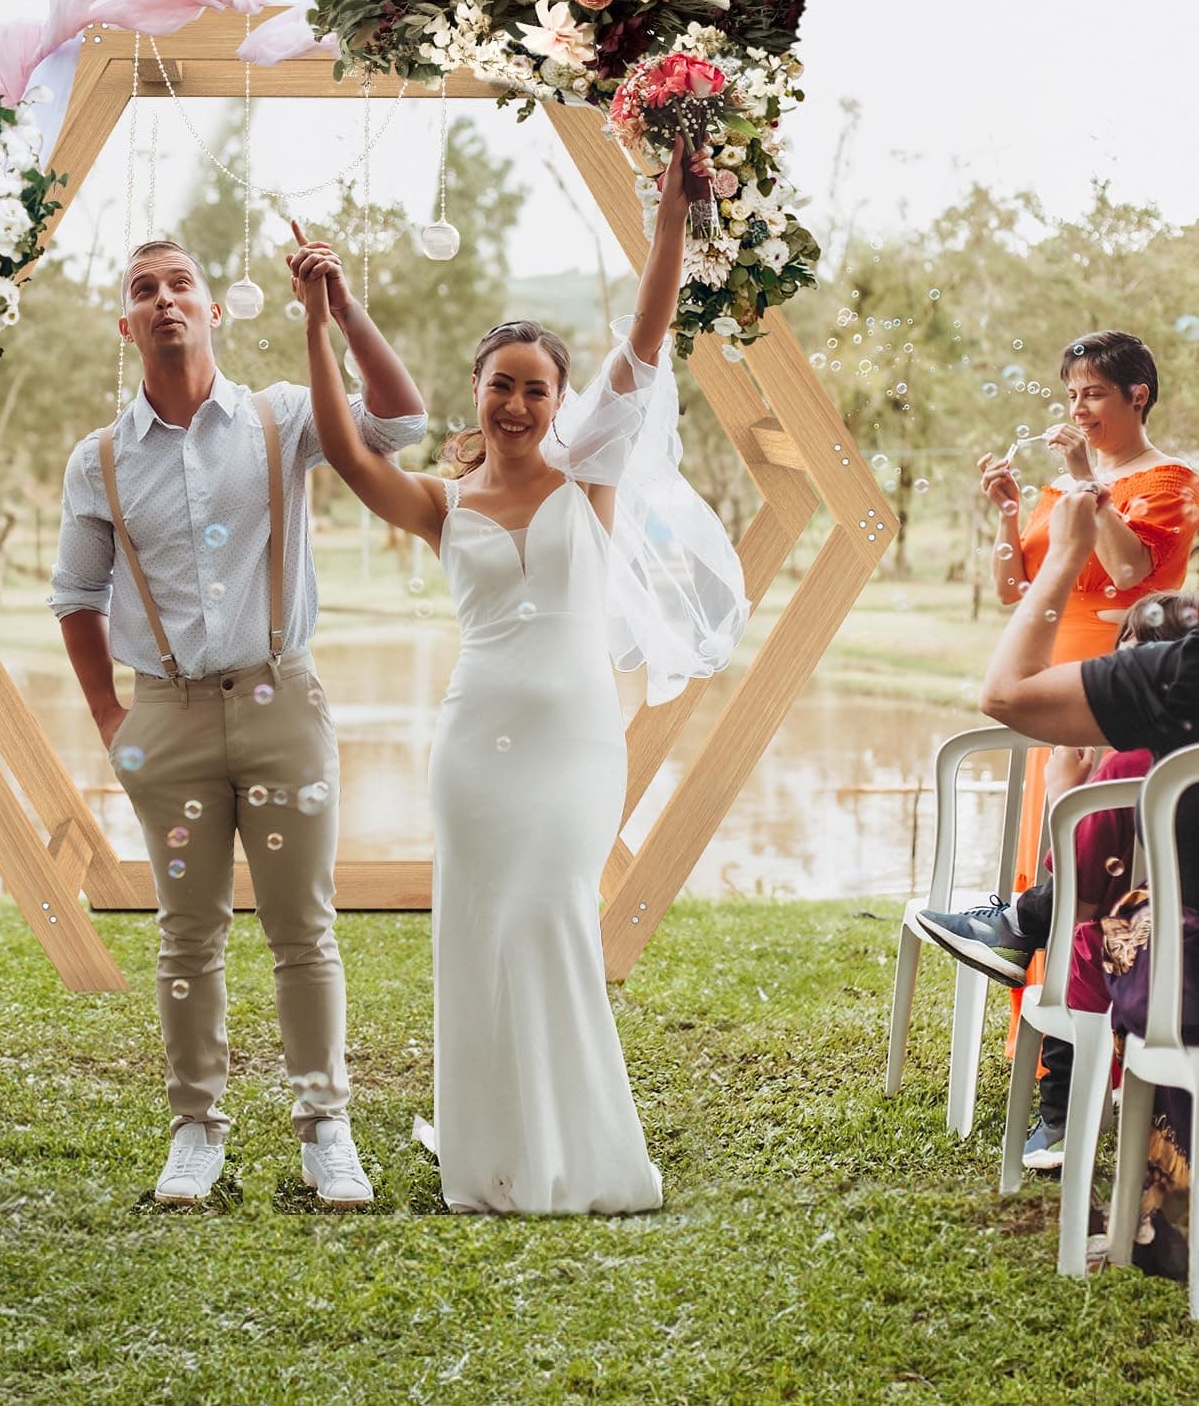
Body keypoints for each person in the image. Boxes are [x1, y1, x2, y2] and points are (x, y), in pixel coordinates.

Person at [298, 142, 745, 1212]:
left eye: (534, 388)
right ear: (477, 389)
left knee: (549, 913)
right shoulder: (439, 503)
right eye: (500, 383)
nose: (515, 402)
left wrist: (669, 220)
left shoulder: (587, 473)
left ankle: (575, 1146)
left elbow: (641, 338)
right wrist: (320, 321)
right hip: (472, 747)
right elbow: (347, 452)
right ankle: (487, 1147)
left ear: (555, 401)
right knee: (480, 929)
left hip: (575, 742)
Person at [50, 238, 428, 1206]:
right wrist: (110, 718)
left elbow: (398, 421)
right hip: (164, 718)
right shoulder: (95, 459)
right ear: (125, 324)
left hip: (279, 703)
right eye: (144, 290)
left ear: (213, 309)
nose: (165, 299)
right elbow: (75, 593)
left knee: (303, 927)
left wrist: (338, 310)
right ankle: (193, 1129)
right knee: (186, 935)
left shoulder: (282, 416)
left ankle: (323, 1125)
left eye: (182, 283)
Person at [977, 489, 1199, 1281]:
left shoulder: (1179, 690)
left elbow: (1004, 694)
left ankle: (1084, 1134)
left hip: (1187, 988)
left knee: (1110, 935)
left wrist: (1067, 554)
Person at [976, 331, 1199, 1052]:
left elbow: (1133, 573)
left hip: (1109, 680)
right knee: (1041, 845)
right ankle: (1038, 1043)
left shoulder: (1172, 482)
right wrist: (1010, 512)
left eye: (1095, 392)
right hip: (1039, 663)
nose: (1080, 406)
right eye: (1072, 394)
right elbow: (1016, 588)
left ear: (1139, 395)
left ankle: (1084, 1056)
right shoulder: (1061, 488)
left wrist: (1085, 484)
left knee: (1090, 853)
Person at [919, 591, 1196, 1169]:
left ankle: (1063, 1116)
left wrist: (1062, 798)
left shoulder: (1122, 771)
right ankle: (1015, 925)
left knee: (1084, 941)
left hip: (1154, 965)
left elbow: (1081, 895)